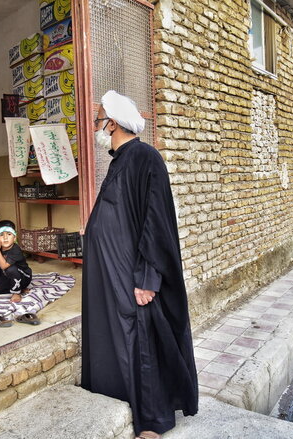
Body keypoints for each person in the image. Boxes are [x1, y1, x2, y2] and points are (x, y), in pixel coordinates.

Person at [81, 91, 198, 438]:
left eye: (99, 118)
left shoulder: (146, 157)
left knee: (141, 339)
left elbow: (156, 221)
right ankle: (118, 398)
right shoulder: (120, 159)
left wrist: (147, 277)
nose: (96, 125)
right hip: (111, 273)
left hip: (132, 275)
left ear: (112, 123)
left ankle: (152, 422)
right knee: (118, 339)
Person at [0, 221, 38, 327]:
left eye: (9, 234)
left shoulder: (15, 249)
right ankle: (18, 288)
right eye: (1, 235)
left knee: (10, 269)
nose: (5, 238)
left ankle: (17, 292)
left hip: (24, 276)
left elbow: (3, 266)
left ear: (14, 238)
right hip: (9, 276)